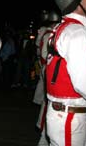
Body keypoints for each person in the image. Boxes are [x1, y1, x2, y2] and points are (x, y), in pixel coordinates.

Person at [46, 0, 86, 145]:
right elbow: (83, 83)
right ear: (76, 0)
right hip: (70, 118)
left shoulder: (67, 28)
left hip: (74, 115)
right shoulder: (76, 33)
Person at [33, 10, 61, 146]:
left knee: (46, 96)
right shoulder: (48, 34)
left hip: (47, 66)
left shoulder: (47, 33)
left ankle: (41, 124)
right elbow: (45, 53)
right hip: (49, 67)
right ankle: (41, 124)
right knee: (48, 98)